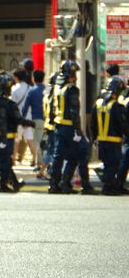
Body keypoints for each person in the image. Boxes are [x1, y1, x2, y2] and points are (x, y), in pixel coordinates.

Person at [49, 60, 94, 194]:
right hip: (69, 127)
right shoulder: (71, 89)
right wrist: (78, 130)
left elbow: (52, 108)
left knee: (59, 156)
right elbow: (74, 111)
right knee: (83, 151)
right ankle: (84, 185)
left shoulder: (57, 88)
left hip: (59, 127)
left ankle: (55, 184)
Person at [91, 76, 128, 195]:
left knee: (107, 164)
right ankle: (108, 188)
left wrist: (94, 138)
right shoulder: (116, 106)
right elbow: (122, 125)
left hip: (101, 140)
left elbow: (93, 124)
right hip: (114, 141)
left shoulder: (97, 104)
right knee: (114, 165)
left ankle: (109, 186)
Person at [0, 72, 34, 193]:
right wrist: (28, 122)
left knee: (6, 157)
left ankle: (12, 182)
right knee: (4, 159)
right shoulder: (28, 88)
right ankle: (1, 183)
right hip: (13, 125)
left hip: (4, 130)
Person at [22, 70, 47, 178]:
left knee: (38, 142)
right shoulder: (46, 90)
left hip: (36, 119)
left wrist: (22, 119)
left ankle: (40, 164)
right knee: (46, 143)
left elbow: (25, 106)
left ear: (33, 78)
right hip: (48, 120)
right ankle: (44, 164)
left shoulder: (32, 91)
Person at [10, 69, 33, 165]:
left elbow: (12, 104)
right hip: (28, 117)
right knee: (30, 139)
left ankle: (13, 159)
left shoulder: (14, 89)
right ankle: (35, 159)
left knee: (16, 140)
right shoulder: (30, 88)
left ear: (16, 77)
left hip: (18, 117)